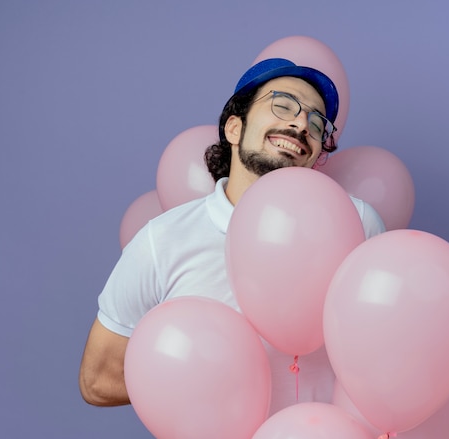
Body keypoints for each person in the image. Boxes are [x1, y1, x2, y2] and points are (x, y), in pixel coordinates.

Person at [79, 58, 386, 413]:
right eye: (283, 105)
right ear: (234, 129)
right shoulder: (162, 241)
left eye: (317, 123)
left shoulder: (357, 223)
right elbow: (97, 381)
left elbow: (386, 349)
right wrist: (205, 376)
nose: (302, 124)